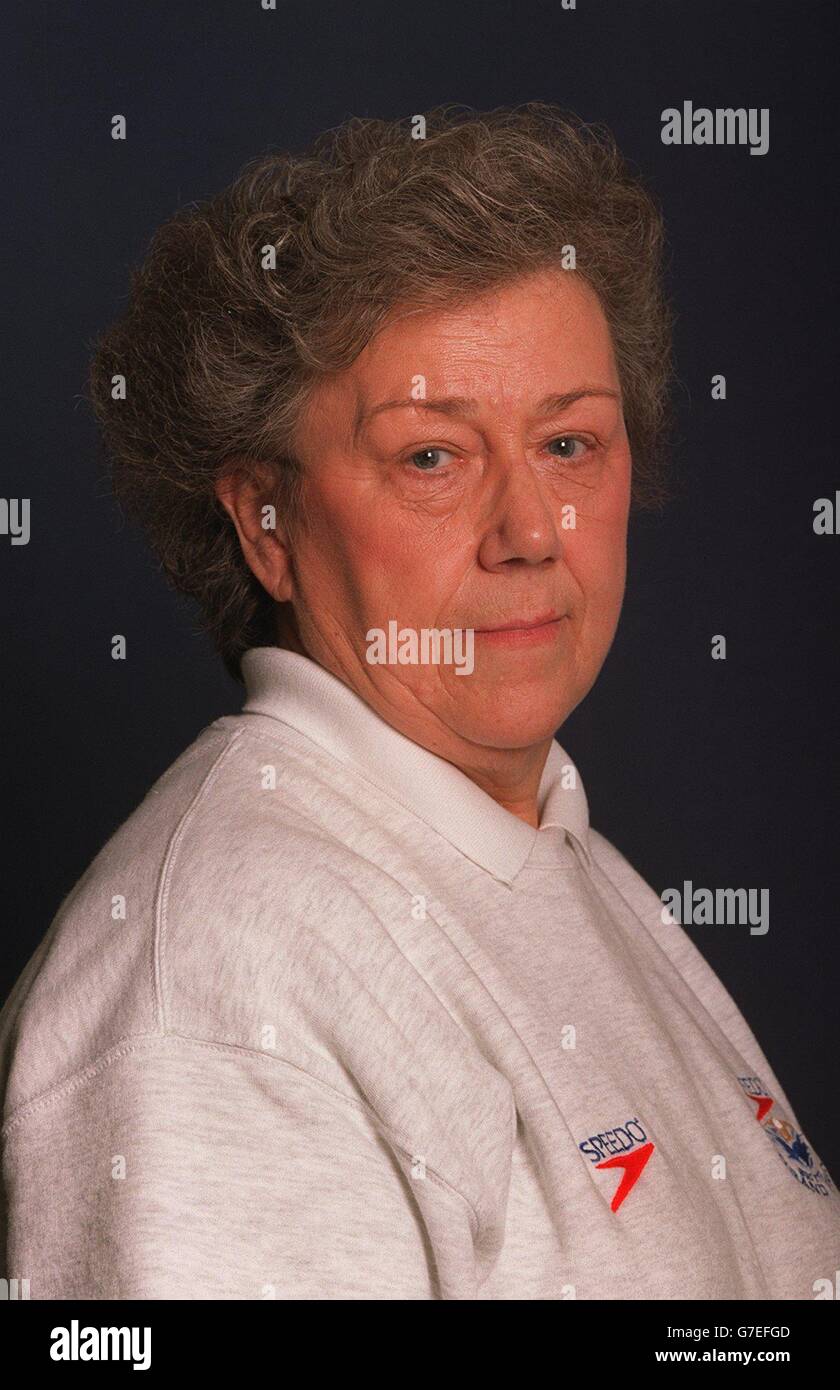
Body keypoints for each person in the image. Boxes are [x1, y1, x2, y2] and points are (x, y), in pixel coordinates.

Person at [2, 103, 838, 1300]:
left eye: (568, 444)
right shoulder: (217, 997)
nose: (529, 532)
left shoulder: (559, 860)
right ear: (266, 523)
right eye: (432, 457)